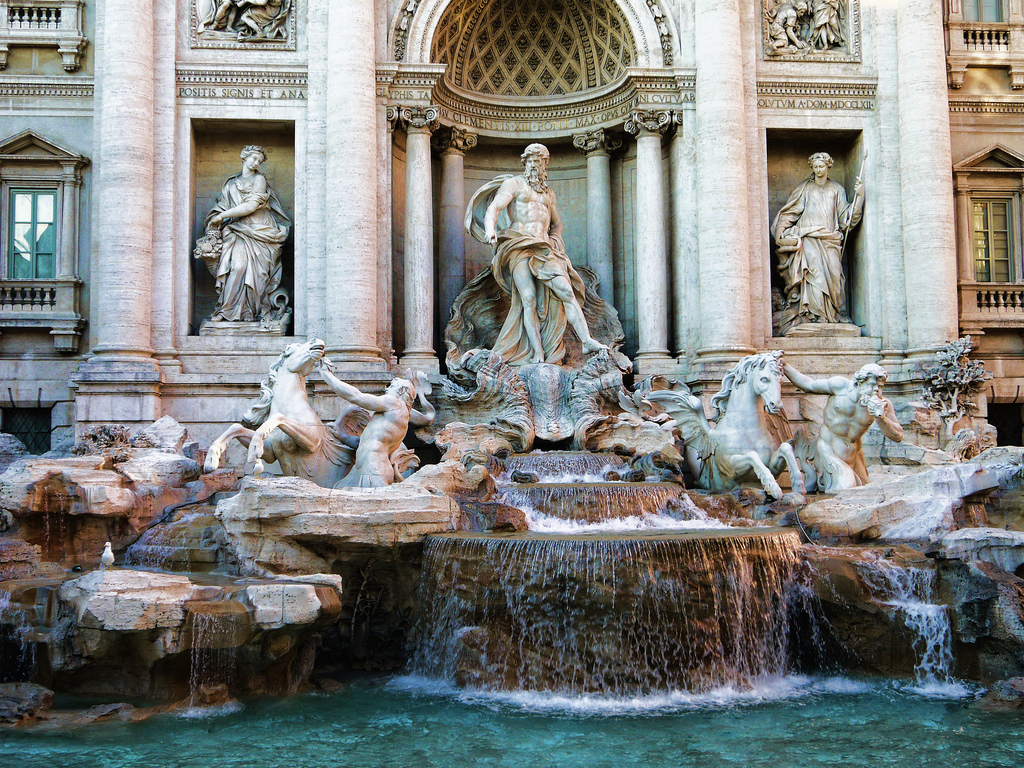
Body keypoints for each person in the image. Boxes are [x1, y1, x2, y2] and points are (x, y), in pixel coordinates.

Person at [465, 143, 607, 366]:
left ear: (545, 165)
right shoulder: (514, 184)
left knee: (567, 292)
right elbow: (494, 208)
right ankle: (537, 352)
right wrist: (491, 229)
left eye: (538, 161)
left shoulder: (549, 194)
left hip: (543, 248)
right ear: (525, 163)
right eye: (530, 161)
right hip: (518, 245)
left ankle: (587, 340)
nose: (534, 165)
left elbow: (557, 224)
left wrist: (555, 241)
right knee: (528, 299)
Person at [771, 151, 863, 332]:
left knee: (835, 277)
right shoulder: (805, 189)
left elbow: (846, 218)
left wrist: (859, 197)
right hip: (809, 239)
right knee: (814, 276)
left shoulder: (837, 189)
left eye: (822, 166)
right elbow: (790, 213)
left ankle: (833, 315)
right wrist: (782, 230)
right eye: (815, 167)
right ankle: (813, 316)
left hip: (830, 240)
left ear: (829, 166)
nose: (819, 170)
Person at [783, 362, 903, 492]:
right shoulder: (840, 387)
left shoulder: (883, 404)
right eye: (872, 385)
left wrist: (881, 418)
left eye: (880, 387)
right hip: (828, 450)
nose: (876, 390)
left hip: (854, 455)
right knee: (846, 489)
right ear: (859, 382)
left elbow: (898, 436)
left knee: (865, 493)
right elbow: (808, 385)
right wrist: (784, 366)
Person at [205, 145, 290, 322]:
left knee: (257, 274)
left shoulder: (259, 179)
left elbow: (251, 206)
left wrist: (221, 216)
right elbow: (221, 206)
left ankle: (250, 313)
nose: (256, 162)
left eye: (259, 161)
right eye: (254, 158)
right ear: (244, 157)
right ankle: (226, 310)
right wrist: (217, 218)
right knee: (236, 267)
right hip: (237, 230)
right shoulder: (230, 184)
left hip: (259, 229)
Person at [318, 368, 436, 488]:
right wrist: (341, 436)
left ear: (400, 391)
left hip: (373, 469)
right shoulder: (400, 414)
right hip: (364, 470)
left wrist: (327, 376)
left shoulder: (393, 403)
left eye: (391, 386)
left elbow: (355, 396)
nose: (386, 389)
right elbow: (365, 442)